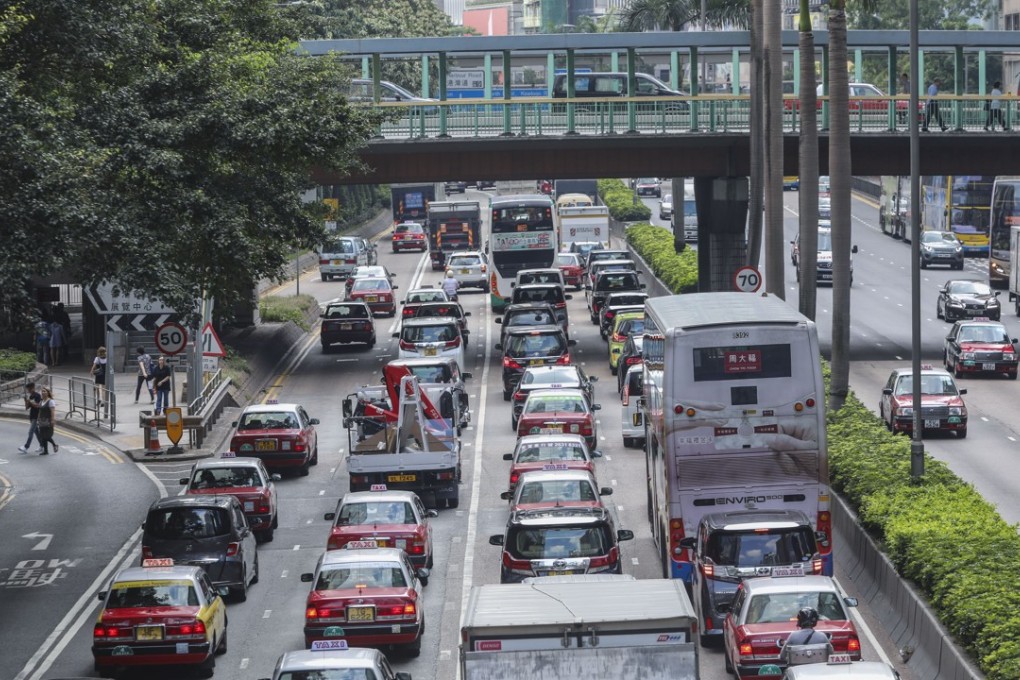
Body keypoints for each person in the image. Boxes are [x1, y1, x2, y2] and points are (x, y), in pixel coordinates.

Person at [18, 382, 43, 454]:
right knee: (36, 432)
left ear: (32, 388)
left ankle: (26, 447)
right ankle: (42, 445)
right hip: (32, 416)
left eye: (29, 389)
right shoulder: (31, 396)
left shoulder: (37, 395)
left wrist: (30, 402)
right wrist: (25, 401)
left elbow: (37, 405)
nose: (28, 390)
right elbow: (27, 407)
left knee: (31, 432)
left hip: (36, 416)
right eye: (27, 389)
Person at [36, 387, 59, 455]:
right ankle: (46, 451)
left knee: (47, 436)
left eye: (44, 391)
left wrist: (52, 420)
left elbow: (52, 412)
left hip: (48, 420)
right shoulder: (41, 401)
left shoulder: (50, 401)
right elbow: (40, 411)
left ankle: (54, 445)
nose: (43, 393)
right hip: (41, 421)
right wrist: (38, 419)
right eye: (42, 391)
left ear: (48, 393)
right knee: (42, 436)